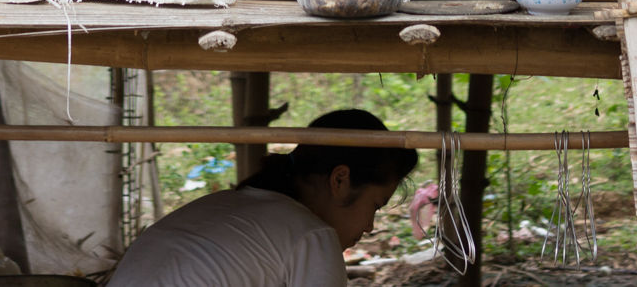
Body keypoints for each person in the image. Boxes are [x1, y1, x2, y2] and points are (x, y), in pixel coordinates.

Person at [108, 110, 416, 287]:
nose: (370, 227)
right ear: (339, 180)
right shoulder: (311, 235)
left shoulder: (217, 206)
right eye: (375, 206)